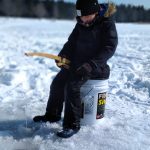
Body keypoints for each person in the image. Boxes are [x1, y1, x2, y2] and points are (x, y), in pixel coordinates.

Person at [33, 0, 118, 138]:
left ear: (95, 12)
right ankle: (52, 115)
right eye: (80, 16)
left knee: (72, 86)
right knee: (57, 83)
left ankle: (72, 125)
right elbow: (71, 43)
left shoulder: (106, 24)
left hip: (95, 67)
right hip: (77, 64)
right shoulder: (80, 23)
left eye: (85, 16)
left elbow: (109, 48)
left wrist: (91, 64)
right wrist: (63, 55)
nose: (82, 19)